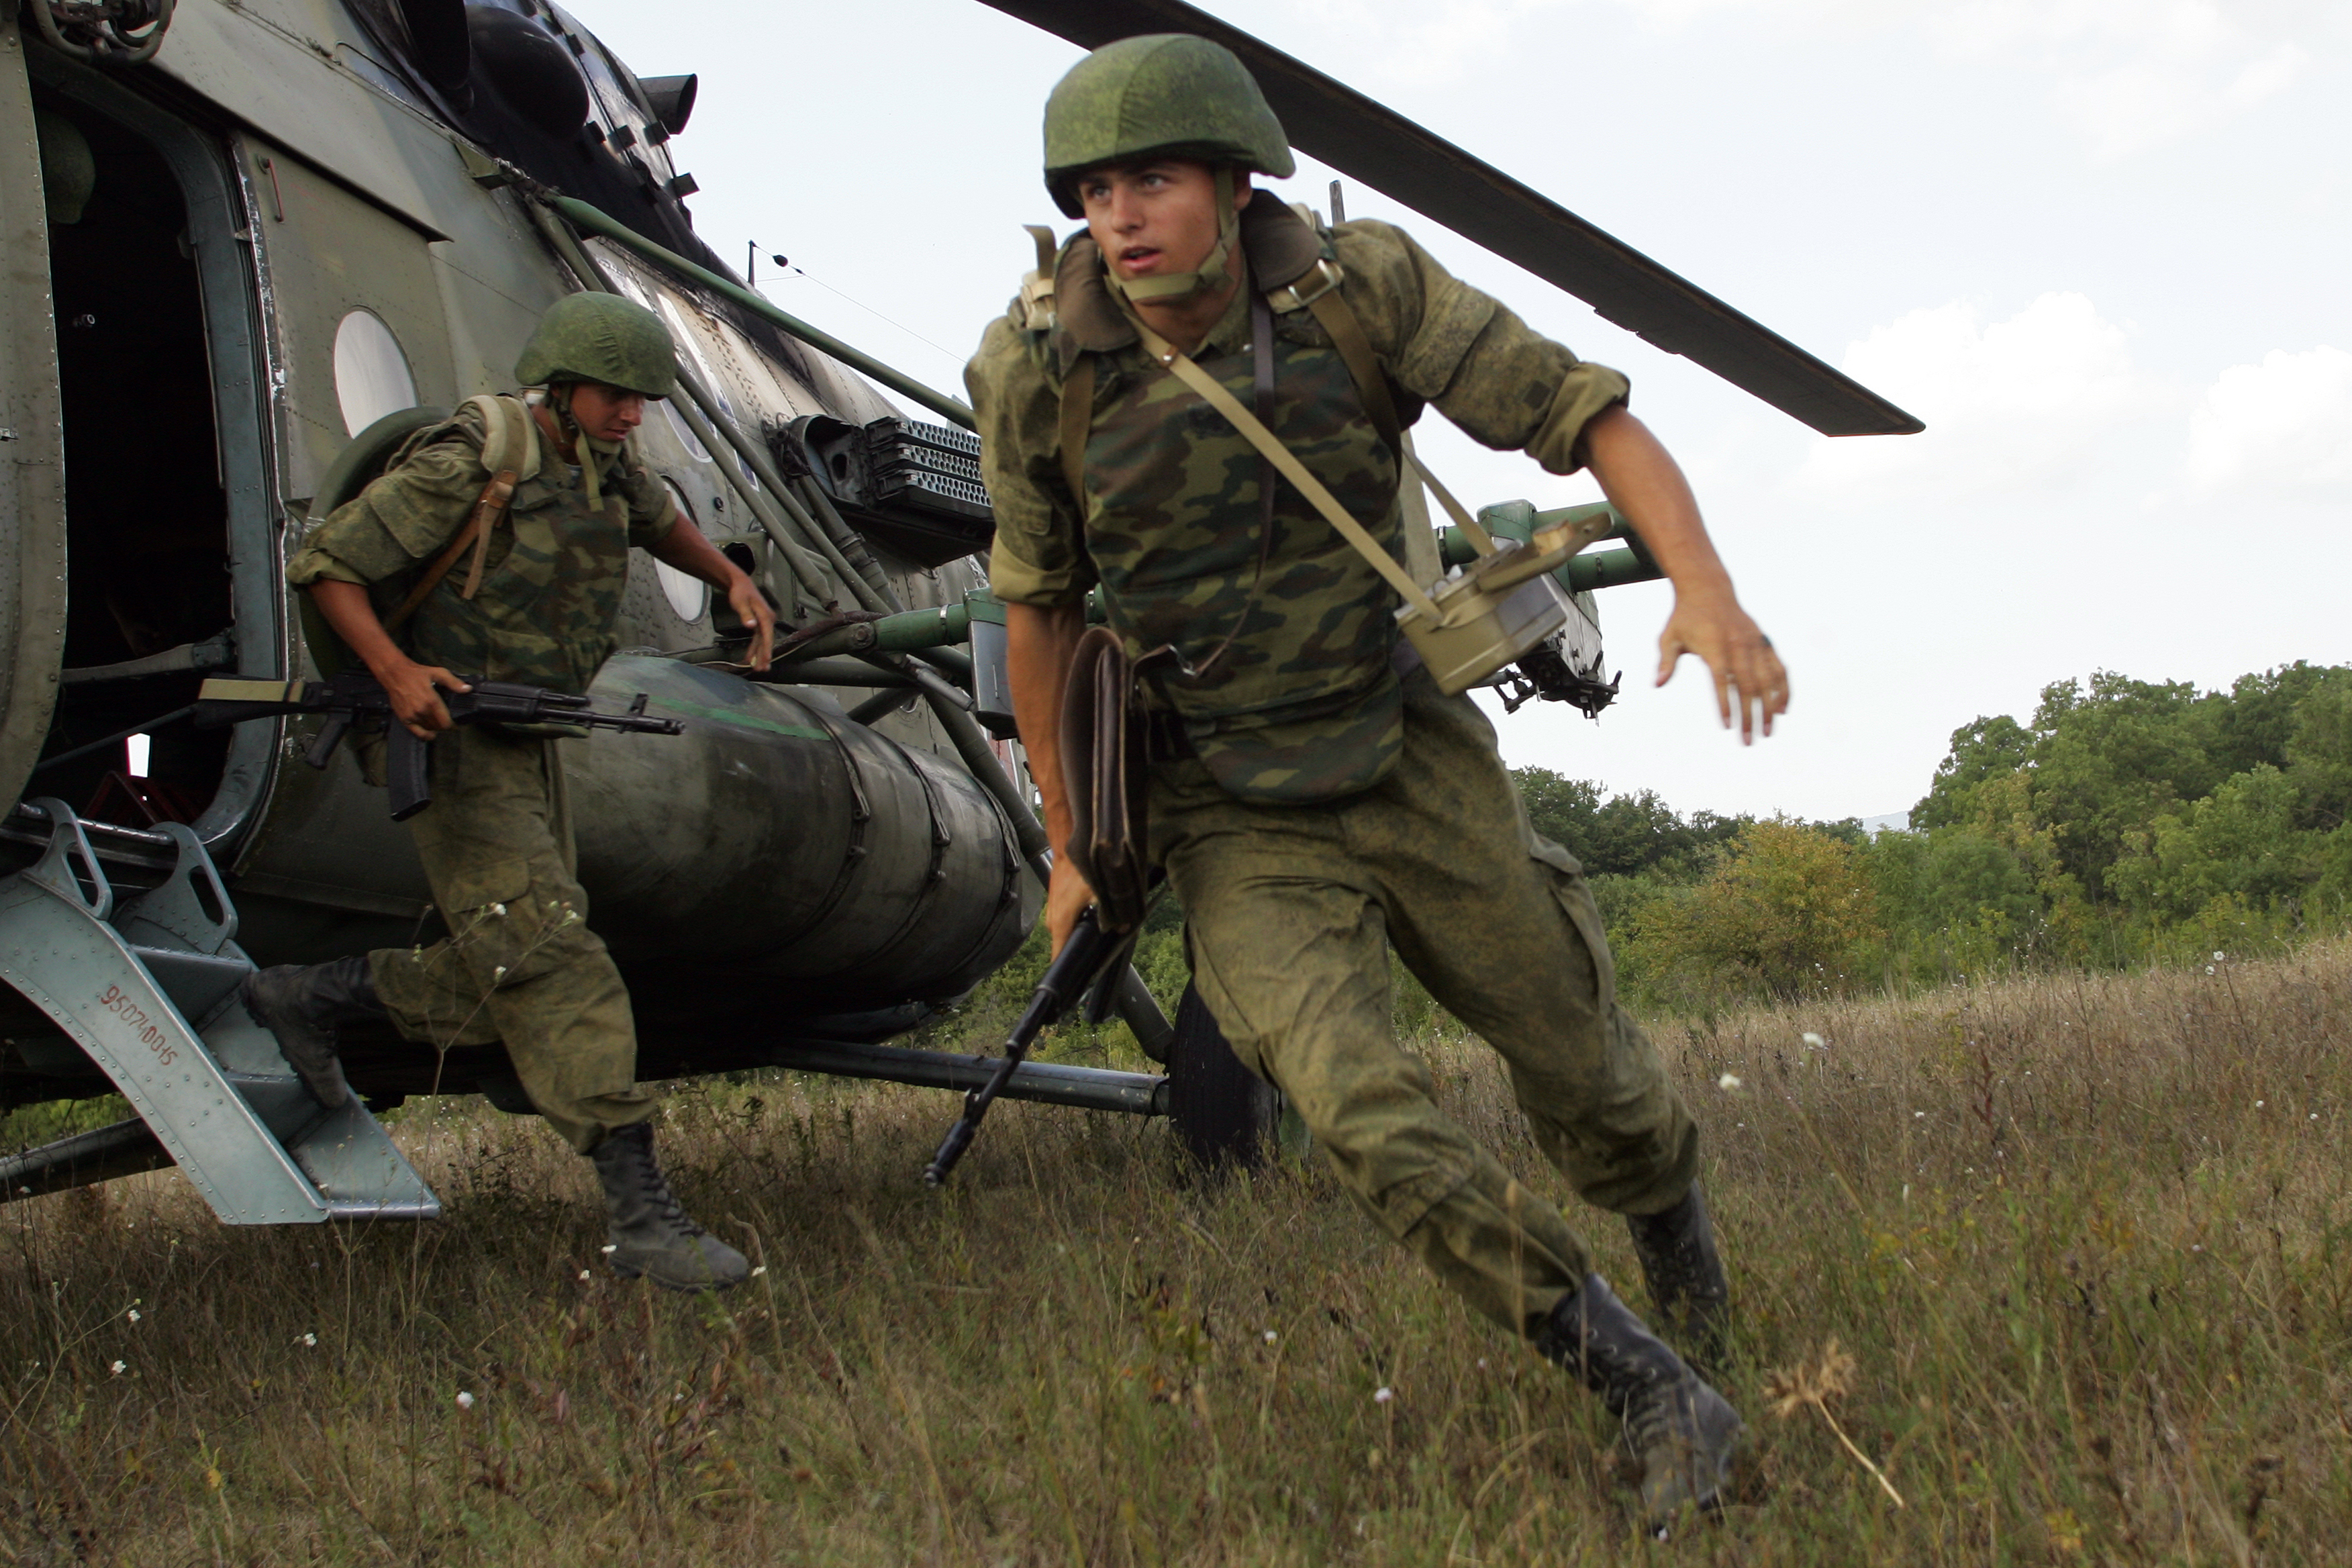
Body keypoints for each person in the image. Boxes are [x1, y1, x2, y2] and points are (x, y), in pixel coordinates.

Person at [967, 35, 1789, 1528]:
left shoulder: (1359, 289)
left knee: (1584, 1067)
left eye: (1153, 177)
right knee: (1354, 1107)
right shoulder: (1034, 368)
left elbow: (1588, 412)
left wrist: (1704, 586)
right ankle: (1649, 1381)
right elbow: (1036, 608)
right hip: (1224, 797)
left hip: (1405, 747)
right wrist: (1070, 844)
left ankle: (1684, 1253)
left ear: (1232, 178)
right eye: (1093, 189)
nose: (1121, 216)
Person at [244, 292, 776, 1291]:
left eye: (641, 401)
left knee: (508, 959)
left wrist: (733, 581)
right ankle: (642, 1218)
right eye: (616, 397)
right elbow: (326, 565)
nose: (631, 415)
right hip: (450, 737)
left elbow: (655, 516)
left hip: (529, 732)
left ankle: (309, 997)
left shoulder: (604, 464)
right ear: (563, 385)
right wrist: (398, 676)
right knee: (549, 957)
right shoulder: (469, 464)